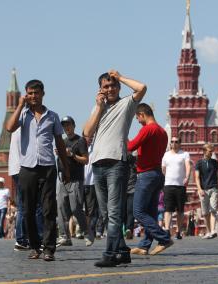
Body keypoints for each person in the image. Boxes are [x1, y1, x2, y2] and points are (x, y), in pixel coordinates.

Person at [83, 70, 146, 267]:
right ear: (100, 90)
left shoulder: (126, 103)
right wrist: (99, 107)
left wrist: (120, 77)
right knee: (106, 213)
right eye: (105, 86)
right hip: (98, 164)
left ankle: (110, 254)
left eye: (113, 85)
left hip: (116, 163)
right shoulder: (98, 108)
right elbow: (86, 132)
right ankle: (122, 251)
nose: (110, 89)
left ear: (118, 87)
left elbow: (141, 88)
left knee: (114, 212)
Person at [6, 79, 70, 261]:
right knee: (28, 209)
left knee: (49, 209)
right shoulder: (23, 115)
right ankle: (35, 247)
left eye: (36, 93)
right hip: (27, 168)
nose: (34, 96)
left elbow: (59, 142)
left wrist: (65, 167)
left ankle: (49, 249)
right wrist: (19, 105)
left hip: (48, 167)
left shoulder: (53, 116)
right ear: (26, 95)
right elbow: (9, 128)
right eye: (30, 93)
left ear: (43, 94)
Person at [128, 103, 173, 256]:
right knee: (151, 212)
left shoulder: (148, 129)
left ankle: (164, 238)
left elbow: (131, 146)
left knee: (138, 211)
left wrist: (122, 138)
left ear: (142, 114)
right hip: (157, 175)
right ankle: (145, 245)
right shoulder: (162, 131)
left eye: (137, 118)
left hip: (146, 175)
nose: (138, 121)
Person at [9, 128, 44, 251]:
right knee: (37, 205)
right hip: (26, 169)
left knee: (23, 206)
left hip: (16, 168)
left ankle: (22, 240)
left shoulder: (17, 124)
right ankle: (38, 239)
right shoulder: (28, 123)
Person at [56, 116, 89, 247]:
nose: (66, 128)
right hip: (62, 179)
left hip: (75, 179)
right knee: (61, 209)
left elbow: (85, 160)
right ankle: (65, 237)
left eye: (68, 125)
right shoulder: (62, 141)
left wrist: (72, 155)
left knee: (76, 208)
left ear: (74, 126)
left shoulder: (80, 141)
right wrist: (59, 154)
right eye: (64, 126)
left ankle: (87, 231)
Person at [161, 136, 191, 240]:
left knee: (180, 210)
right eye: (172, 142)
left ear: (180, 143)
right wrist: (163, 179)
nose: (174, 143)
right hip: (168, 185)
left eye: (176, 142)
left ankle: (178, 231)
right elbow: (163, 169)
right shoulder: (166, 155)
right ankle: (167, 230)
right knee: (168, 209)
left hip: (180, 186)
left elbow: (188, 166)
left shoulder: (184, 154)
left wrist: (187, 177)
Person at [195, 143, 218, 239]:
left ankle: (213, 230)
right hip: (203, 190)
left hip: (213, 188)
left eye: (212, 151)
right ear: (204, 151)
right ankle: (208, 231)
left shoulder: (215, 162)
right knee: (205, 213)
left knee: (213, 209)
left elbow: (216, 175)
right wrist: (199, 189)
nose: (211, 153)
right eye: (210, 151)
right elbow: (196, 177)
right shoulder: (199, 163)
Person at [124, 153, 137, 239]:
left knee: (129, 211)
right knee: (126, 212)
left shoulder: (134, 167)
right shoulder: (122, 166)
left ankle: (128, 229)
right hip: (125, 191)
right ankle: (128, 229)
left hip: (131, 191)